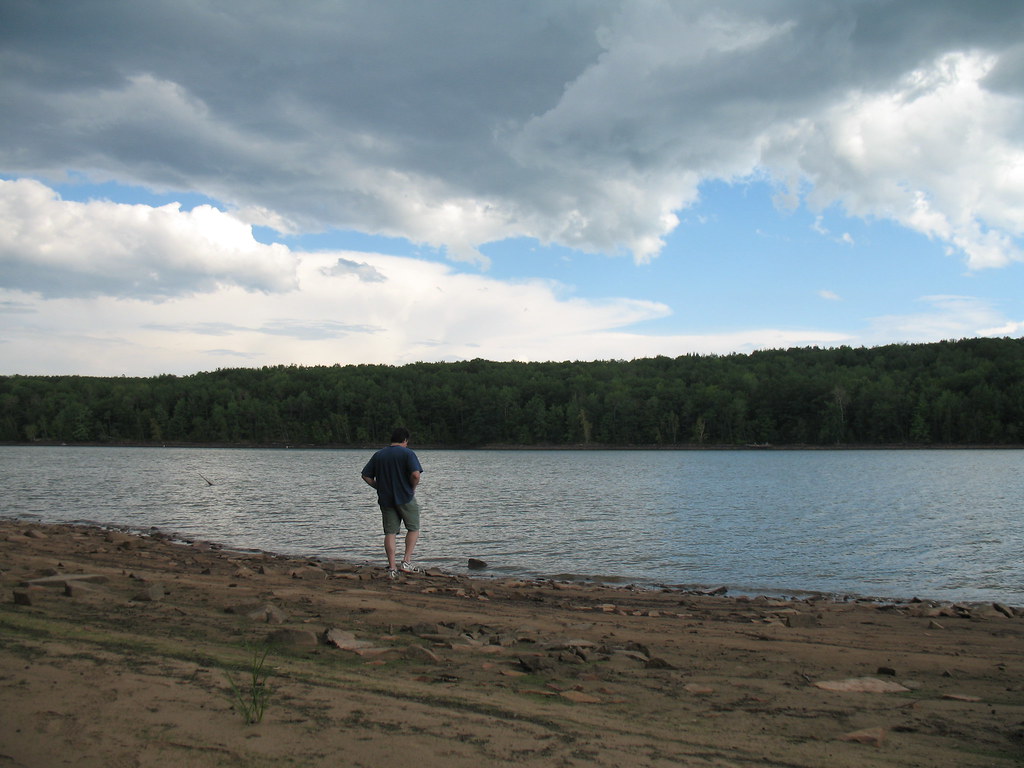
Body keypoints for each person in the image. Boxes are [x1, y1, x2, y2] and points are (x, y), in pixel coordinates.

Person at [361, 427, 424, 578]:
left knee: (390, 532)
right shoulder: (408, 453)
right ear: (405, 440)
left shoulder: (379, 454)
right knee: (413, 528)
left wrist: (379, 486)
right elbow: (415, 475)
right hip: (405, 497)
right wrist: (412, 488)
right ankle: (406, 562)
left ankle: (392, 567)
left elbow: (365, 476)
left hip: (386, 498)